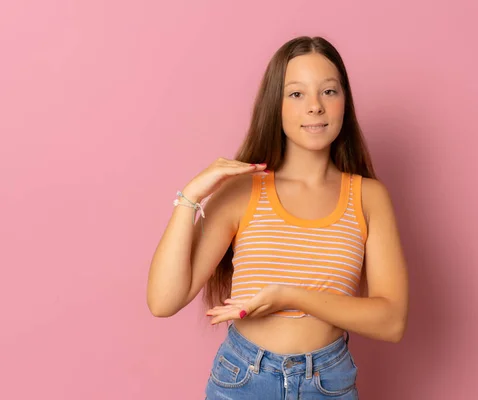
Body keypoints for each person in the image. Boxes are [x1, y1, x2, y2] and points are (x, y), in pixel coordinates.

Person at [147, 36, 409, 399]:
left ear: (344, 103)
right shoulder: (242, 191)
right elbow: (163, 301)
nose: (315, 107)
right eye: (297, 94)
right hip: (242, 380)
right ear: (276, 105)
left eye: (329, 92)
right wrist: (190, 197)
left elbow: (391, 321)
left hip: (327, 384)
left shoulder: (368, 198)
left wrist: (291, 296)